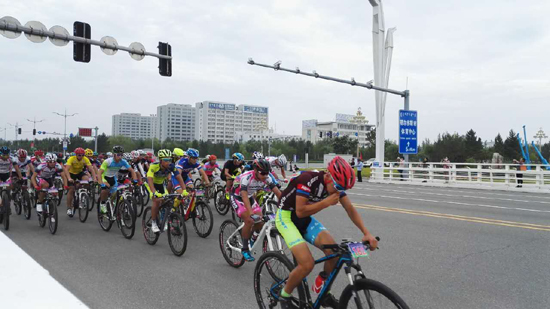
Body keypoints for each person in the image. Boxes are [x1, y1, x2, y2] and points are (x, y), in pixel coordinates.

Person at [276, 156, 378, 308]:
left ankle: (325, 293)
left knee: (333, 252)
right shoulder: (308, 179)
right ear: (329, 176)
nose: (339, 191)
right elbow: (300, 211)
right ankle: (284, 295)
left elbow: (349, 209)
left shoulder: (336, 186)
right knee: (307, 264)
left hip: (304, 219)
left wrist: (366, 232)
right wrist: (325, 203)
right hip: (286, 217)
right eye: (338, 187)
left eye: (342, 189)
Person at [231, 159, 282, 261]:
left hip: (249, 197)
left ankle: (252, 237)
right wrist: (250, 213)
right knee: (250, 220)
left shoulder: (267, 177)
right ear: (255, 170)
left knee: (260, 222)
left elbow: (278, 193)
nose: (265, 175)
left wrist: (289, 206)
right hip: (238, 197)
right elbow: (244, 196)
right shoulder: (247, 177)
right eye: (263, 173)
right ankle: (245, 249)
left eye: (267, 173)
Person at [146, 149, 186, 233]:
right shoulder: (154, 166)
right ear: (160, 160)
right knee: (156, 201)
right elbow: (149, 180)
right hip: (151, 184)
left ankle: (163, 218)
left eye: (169, 160)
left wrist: (184, 190)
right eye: (166, 160)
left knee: (167, 200)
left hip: (160, 184)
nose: (168, 162)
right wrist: (154, 192)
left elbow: (179, 177)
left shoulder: (171, 167)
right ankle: (153, 222)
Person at [64, 147, 97, 217]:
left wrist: (94, 178)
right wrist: (69, 178)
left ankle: (82, 194)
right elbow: (66, 170)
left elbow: (91, 169)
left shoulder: (85, 159)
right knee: (71, 189)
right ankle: (69, 208)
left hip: (79, 173)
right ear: (76, 155)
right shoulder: (71, 159)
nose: (81, 156)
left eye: (82, 155)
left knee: (86, 180)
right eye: (79, 155)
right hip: (71, 173)